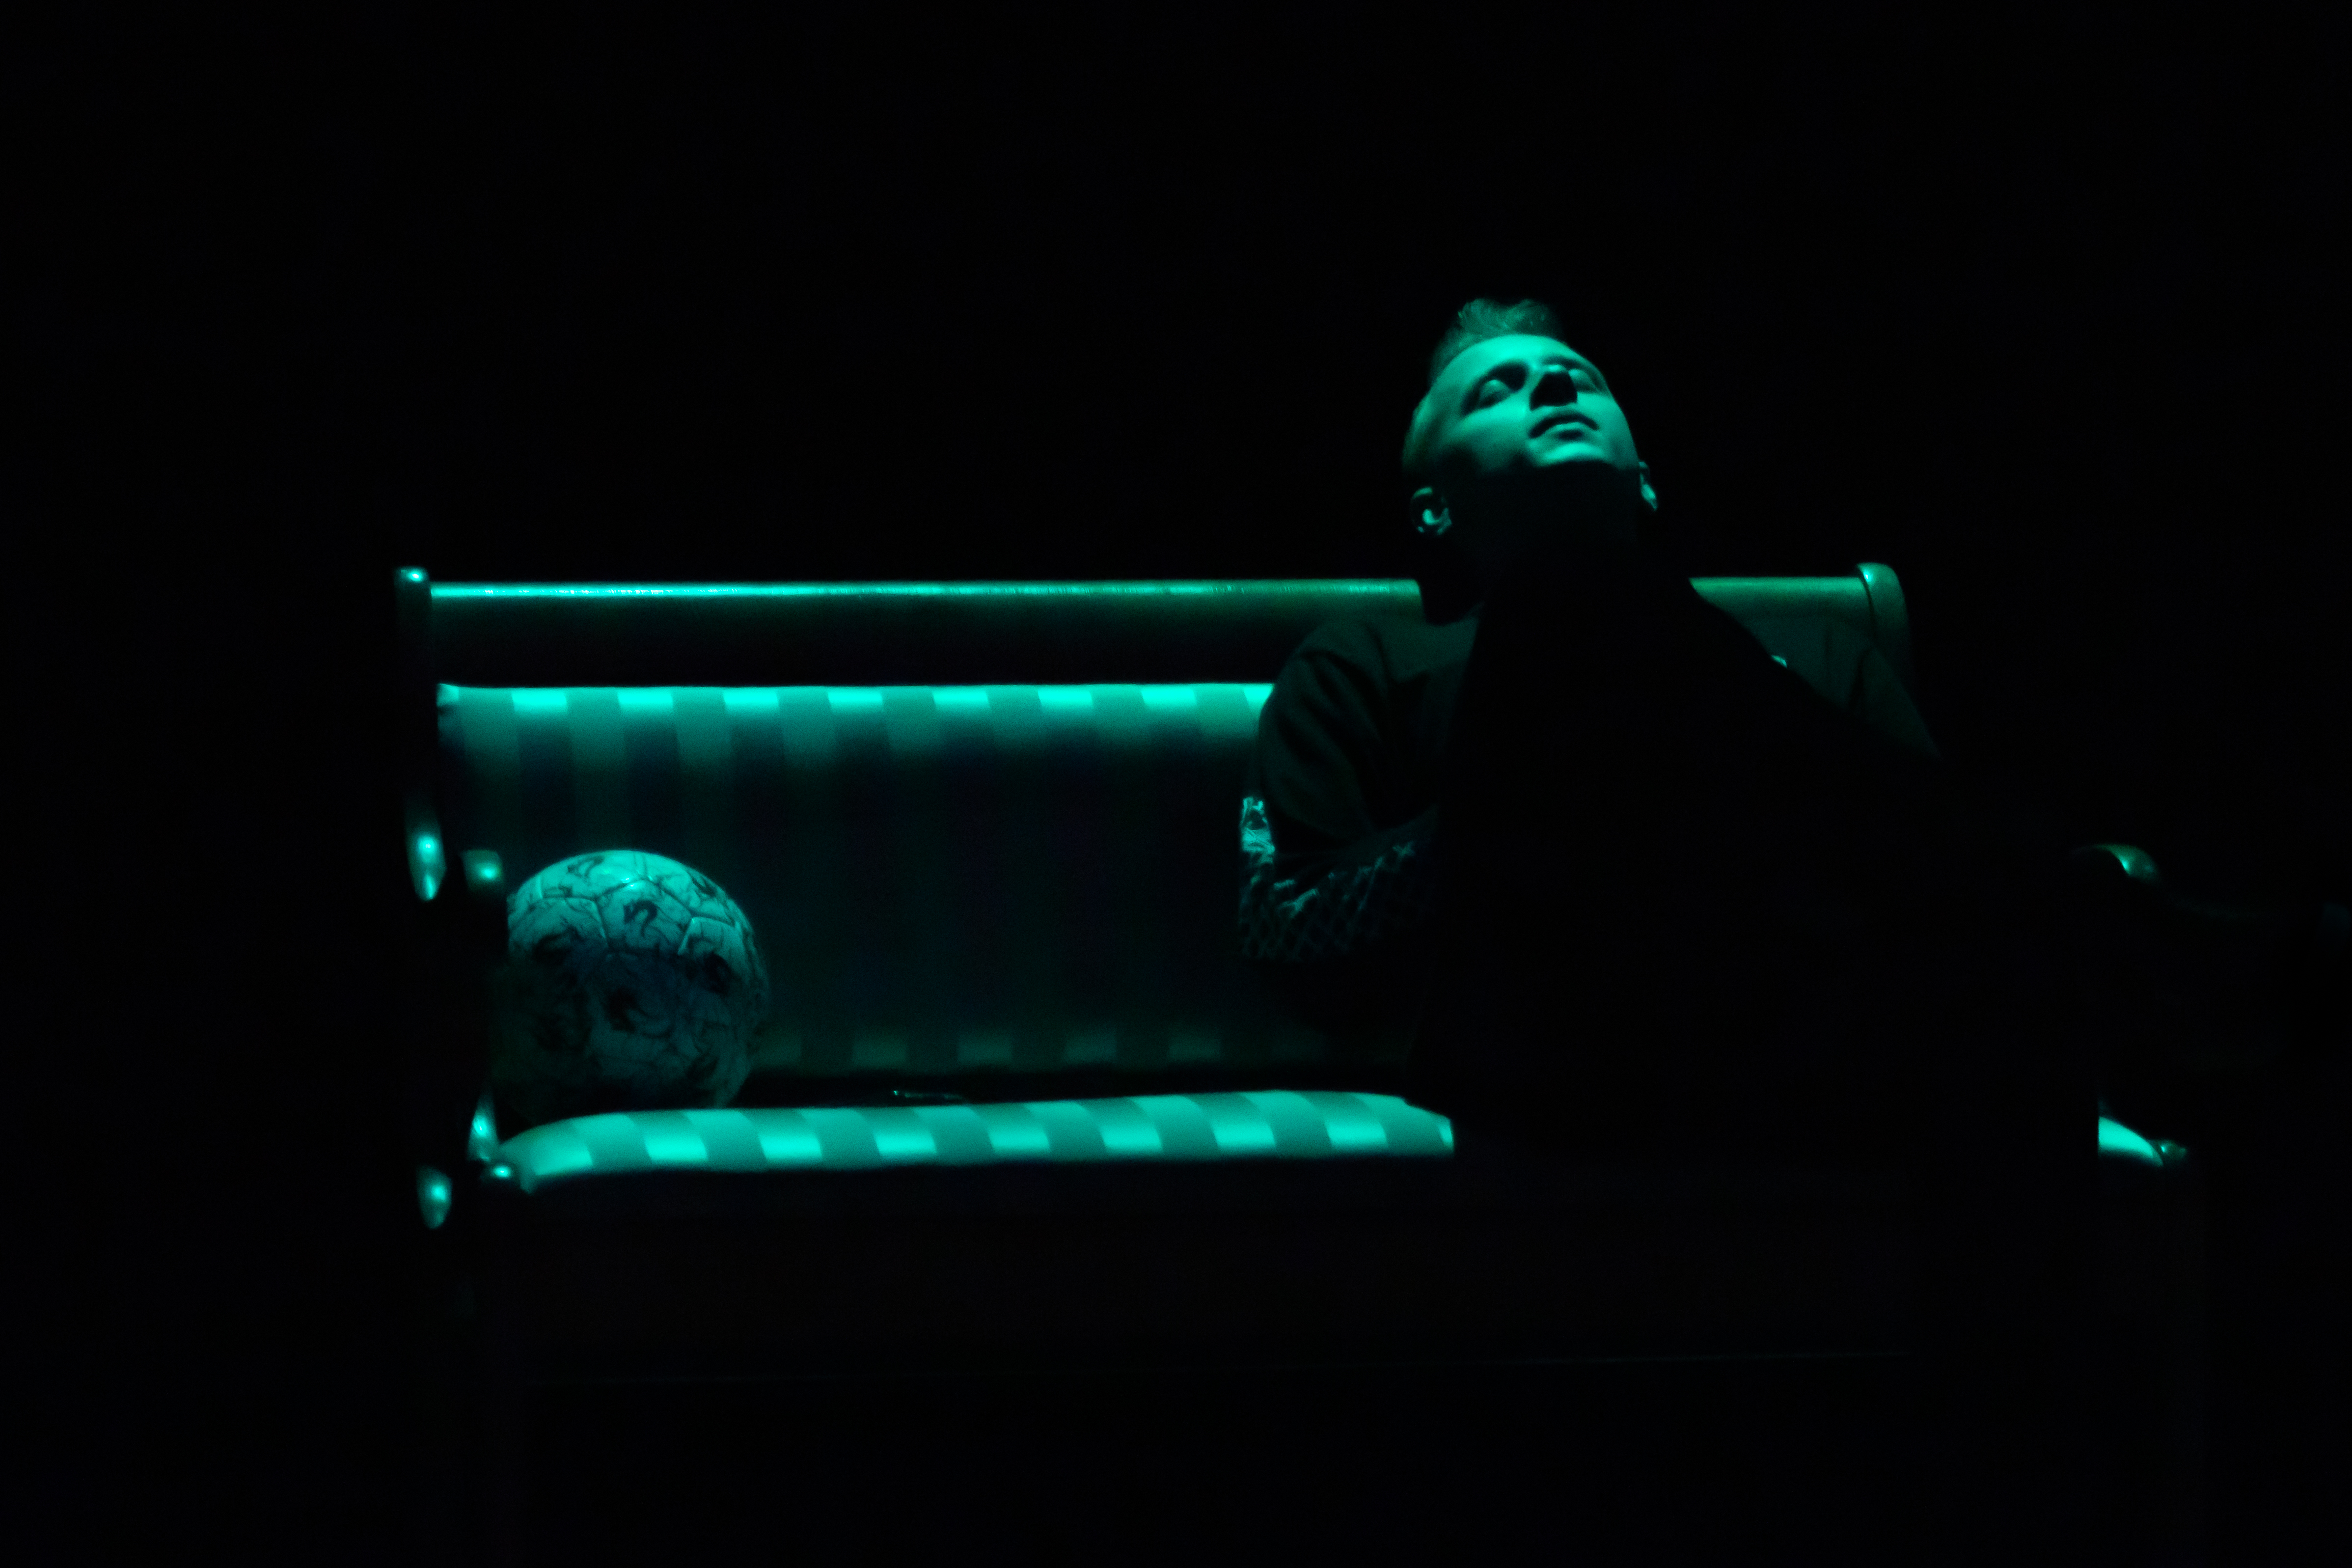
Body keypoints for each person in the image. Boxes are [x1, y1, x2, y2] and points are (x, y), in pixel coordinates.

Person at [1239, 298, 2099, 1553]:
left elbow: (1946, 907)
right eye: (1493, 391)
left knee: (2009, 1026)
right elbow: (1288, 929)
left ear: (1647, 473)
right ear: (1431, 509)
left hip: (1798, 1033)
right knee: (1561, 607)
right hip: (1554, 1044)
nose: (1550, 389)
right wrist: (1492, 820)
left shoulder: (1817, 651)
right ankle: (2135, 933)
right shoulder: (1365, 659)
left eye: (1575, 374)